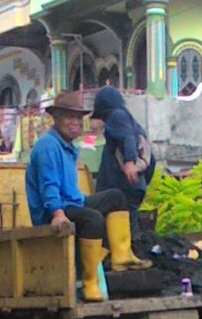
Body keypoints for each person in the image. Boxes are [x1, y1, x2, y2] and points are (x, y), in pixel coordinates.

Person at [25, 90, 150, 303]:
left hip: (74, 202)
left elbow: (71, 191)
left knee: (116, 197)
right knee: (93, 218)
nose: (75, 122)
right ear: (55, 118)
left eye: (77, 118)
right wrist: (57, 214)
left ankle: (122, 256)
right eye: (69, 117)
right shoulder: (48, 146)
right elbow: (50, 185)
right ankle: (88, 281)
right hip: (55, 210)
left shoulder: (68, 148)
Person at [90, 84, 156, 240]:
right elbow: (150, 161)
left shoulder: (116, 116)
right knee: (127, 228)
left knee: (127, 233)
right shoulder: (134, 125)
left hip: (122, 188)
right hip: (133, 187)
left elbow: (127, 138)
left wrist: (129, 162)